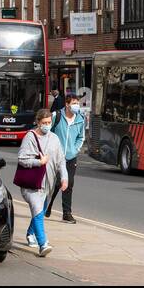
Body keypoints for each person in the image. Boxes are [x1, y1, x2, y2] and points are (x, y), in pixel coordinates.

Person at [15, 109, 66, 257]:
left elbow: (61, 160)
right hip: (32, 184)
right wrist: (39, 162)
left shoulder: (55, 138)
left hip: (48, 184)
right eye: (44, 123)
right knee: (37, 212)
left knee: (41, 211)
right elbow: (22, 159)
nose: (47, 125)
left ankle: (30, 233)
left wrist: (64, 178)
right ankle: (43, 244)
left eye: (49, 123)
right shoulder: (29, 137)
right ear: (38, 122)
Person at [47, 92, 86, 223]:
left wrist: (75, 150)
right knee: (55, 183)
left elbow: (81, 137)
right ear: (67, 104)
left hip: (70, 157)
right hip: (55, 157)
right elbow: (46, 132)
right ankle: (47, 205)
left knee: (68, 184)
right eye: (74, 103)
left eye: (77, 103)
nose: (77, 105)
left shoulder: (80, 119)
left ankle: (67, 213)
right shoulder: (56, 116)